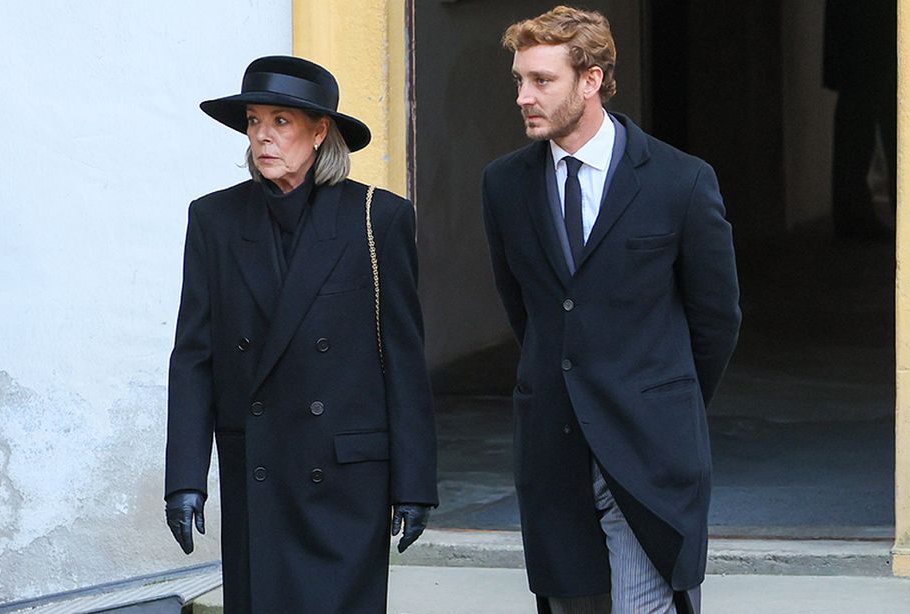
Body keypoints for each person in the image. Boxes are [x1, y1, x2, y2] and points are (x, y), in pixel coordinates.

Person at [481, 7, 740, 614]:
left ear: (591, 80)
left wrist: (661, 401)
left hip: (649, 450)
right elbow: (527, 311)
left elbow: (716, 319)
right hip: (554, 443)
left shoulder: (680, 181)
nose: (524, 96)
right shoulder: (504, 185)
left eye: (542, 80)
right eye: (519, 80)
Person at [163, 55, 437, 614]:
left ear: (319, 132)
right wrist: (185, 478)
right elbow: (194, 356)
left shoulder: (378, 218)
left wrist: (415, 483)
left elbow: (403, 359)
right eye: (254, 121)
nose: (263, 136)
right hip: (258, 470)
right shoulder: (213, 220)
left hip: (343, 480)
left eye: (281, 121)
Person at [823, 0, 897, 240]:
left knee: (862, 116)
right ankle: (854, 216)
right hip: (868, 30)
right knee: (864, 117)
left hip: (862, 31)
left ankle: (852, 215)